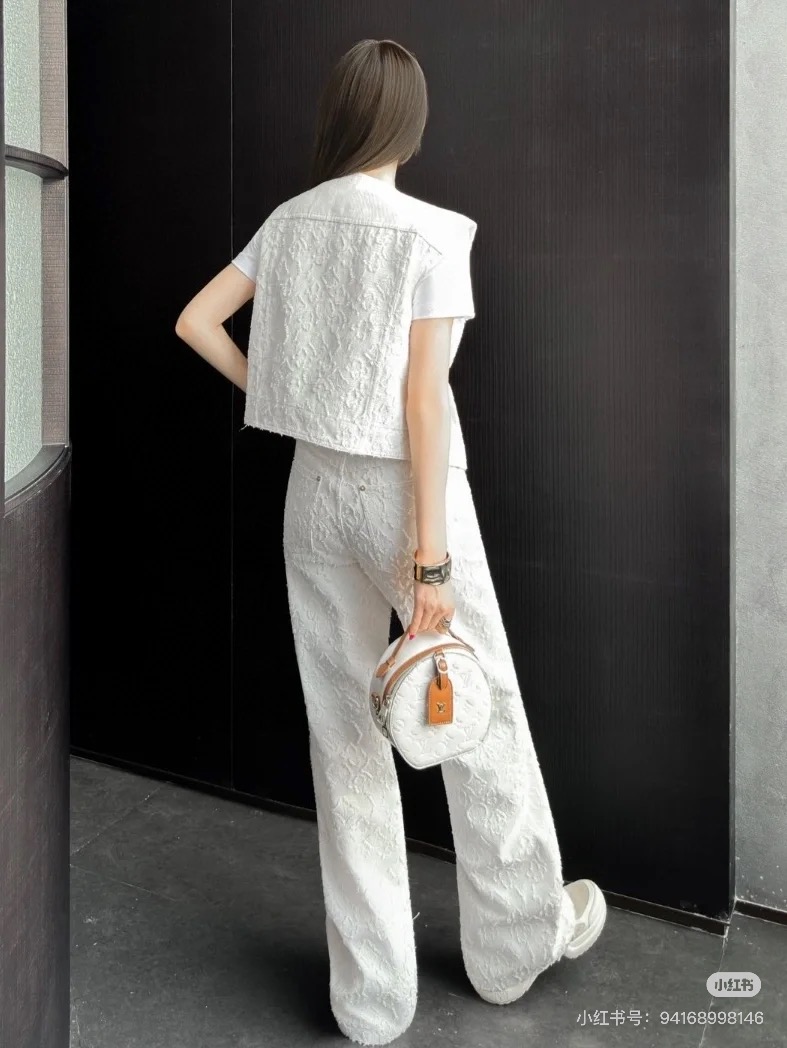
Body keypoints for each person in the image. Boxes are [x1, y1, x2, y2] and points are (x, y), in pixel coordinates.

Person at [175, 36, 606, 1048]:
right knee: (479, 715)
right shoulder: (433, 233)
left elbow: (195, 321)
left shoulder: (289, 220)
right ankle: (512, 948)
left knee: (344, 739)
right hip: (407, 499)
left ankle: (370, 1001)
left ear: (338, 116)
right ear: (409, 128)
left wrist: (282, 396)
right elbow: (421, 401)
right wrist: (432, 559)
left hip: (312, 492)